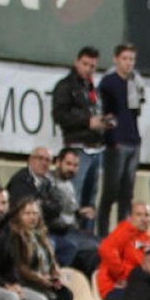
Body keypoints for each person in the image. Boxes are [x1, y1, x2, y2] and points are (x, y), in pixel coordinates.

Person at [53, 46, 109, 215]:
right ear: (76, 62)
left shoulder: (93, 88)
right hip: (77, 147)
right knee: (73, 197)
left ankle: (87, 237)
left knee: (90, 202)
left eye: (92, 66)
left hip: (97, 148)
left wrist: (104, 122)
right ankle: (71, 234)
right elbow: (60, 115)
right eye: (85, 64)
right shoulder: (65, 86)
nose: (88, 69)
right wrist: (87, 122)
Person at [97, 43, 145, 230]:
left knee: (127, 192)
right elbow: (105, 113)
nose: (128, 63)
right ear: (116, 59)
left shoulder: (135, 82)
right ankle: (102, 232)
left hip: (133, 139)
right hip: (116, 142)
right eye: (124, 59)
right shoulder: (109, 82)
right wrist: (111, 139)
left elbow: (137, 110)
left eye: (131, 59)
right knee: (110, 191)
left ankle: (123, 231)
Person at [9, 199, 73, 300]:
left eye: (35, 214)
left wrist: (55, 274)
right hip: (26, 281)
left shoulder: (41, 235)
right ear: (19, 215)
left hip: (43, 279)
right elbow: (20, 267)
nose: (32, 217)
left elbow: (51, 261)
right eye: (27, 213)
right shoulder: (15, 235)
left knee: (66, 294)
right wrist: (40, 279)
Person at [46, 148, 102, 277]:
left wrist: (79, 213)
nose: (72, 169)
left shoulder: (68, 184)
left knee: (103, 245)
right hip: (58, 232)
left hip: (71, 230)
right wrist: (74, 216)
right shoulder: (50, 182)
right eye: (68, 164)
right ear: (58, 162)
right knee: (95, 248)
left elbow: (69, 211)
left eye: (75, 165)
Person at [97, 201, 150, 300]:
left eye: (147, 215)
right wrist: (121, 276)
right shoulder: (123, 232)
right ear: (130, 217)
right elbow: (106, 249)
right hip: (115, 288)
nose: (143, 219)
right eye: (139, 215)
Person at [6, 147, 63, 227]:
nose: (44, 163)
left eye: (47, 160)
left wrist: (40, 203)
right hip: (21, 228)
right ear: (30, 160)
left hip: (46, 227)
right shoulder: (21, 179)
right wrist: (45, 204)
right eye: (40, 158)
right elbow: (24, 207)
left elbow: (58, 207)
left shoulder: (49, 181)